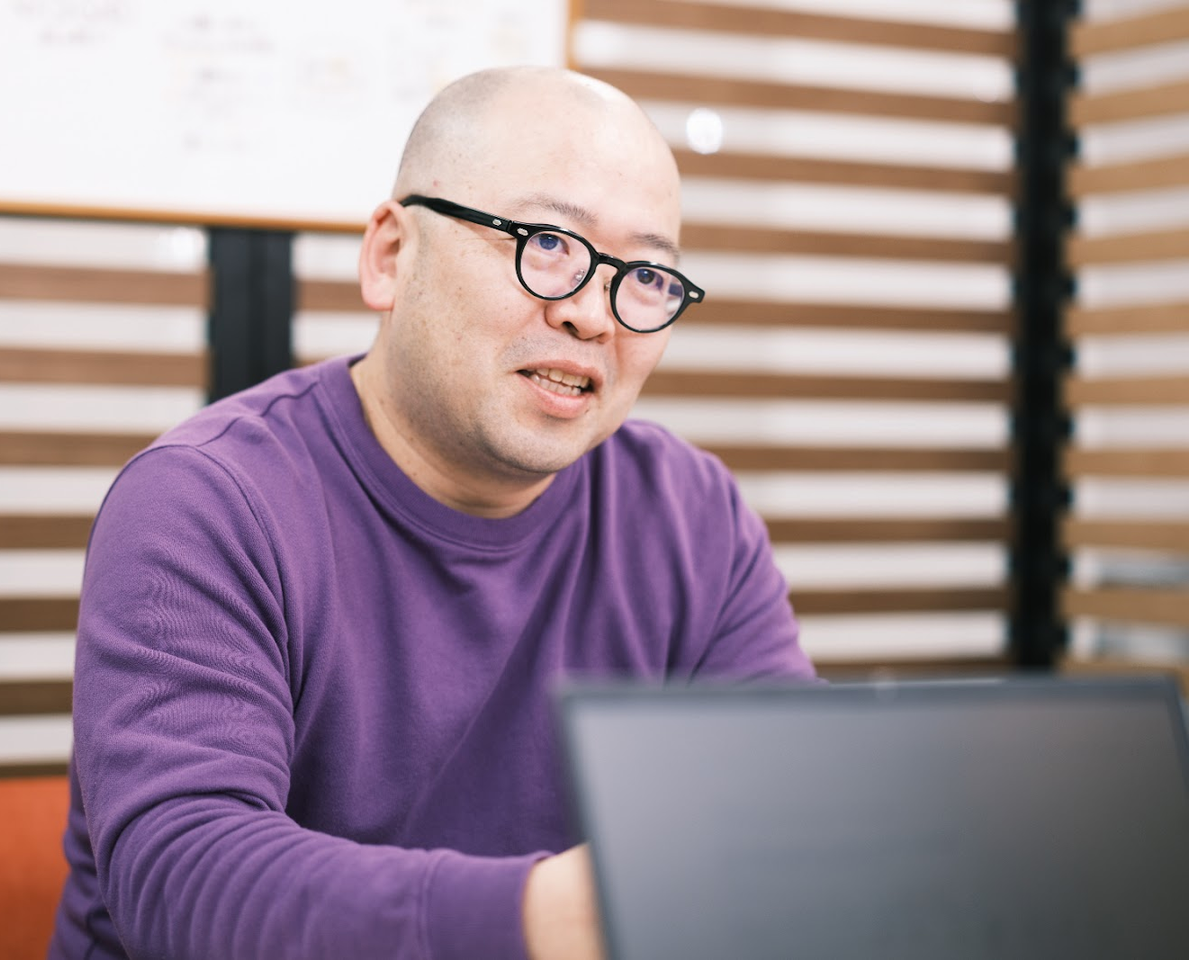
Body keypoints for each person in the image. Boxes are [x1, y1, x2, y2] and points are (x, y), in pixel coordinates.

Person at [49, 66, 815, 960]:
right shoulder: (208, 501)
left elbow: (788, 820)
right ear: (390, 258)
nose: (592, 316)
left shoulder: (690, 516)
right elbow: (184, 883)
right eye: (547, 243)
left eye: (645, 276)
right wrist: (558, 916)